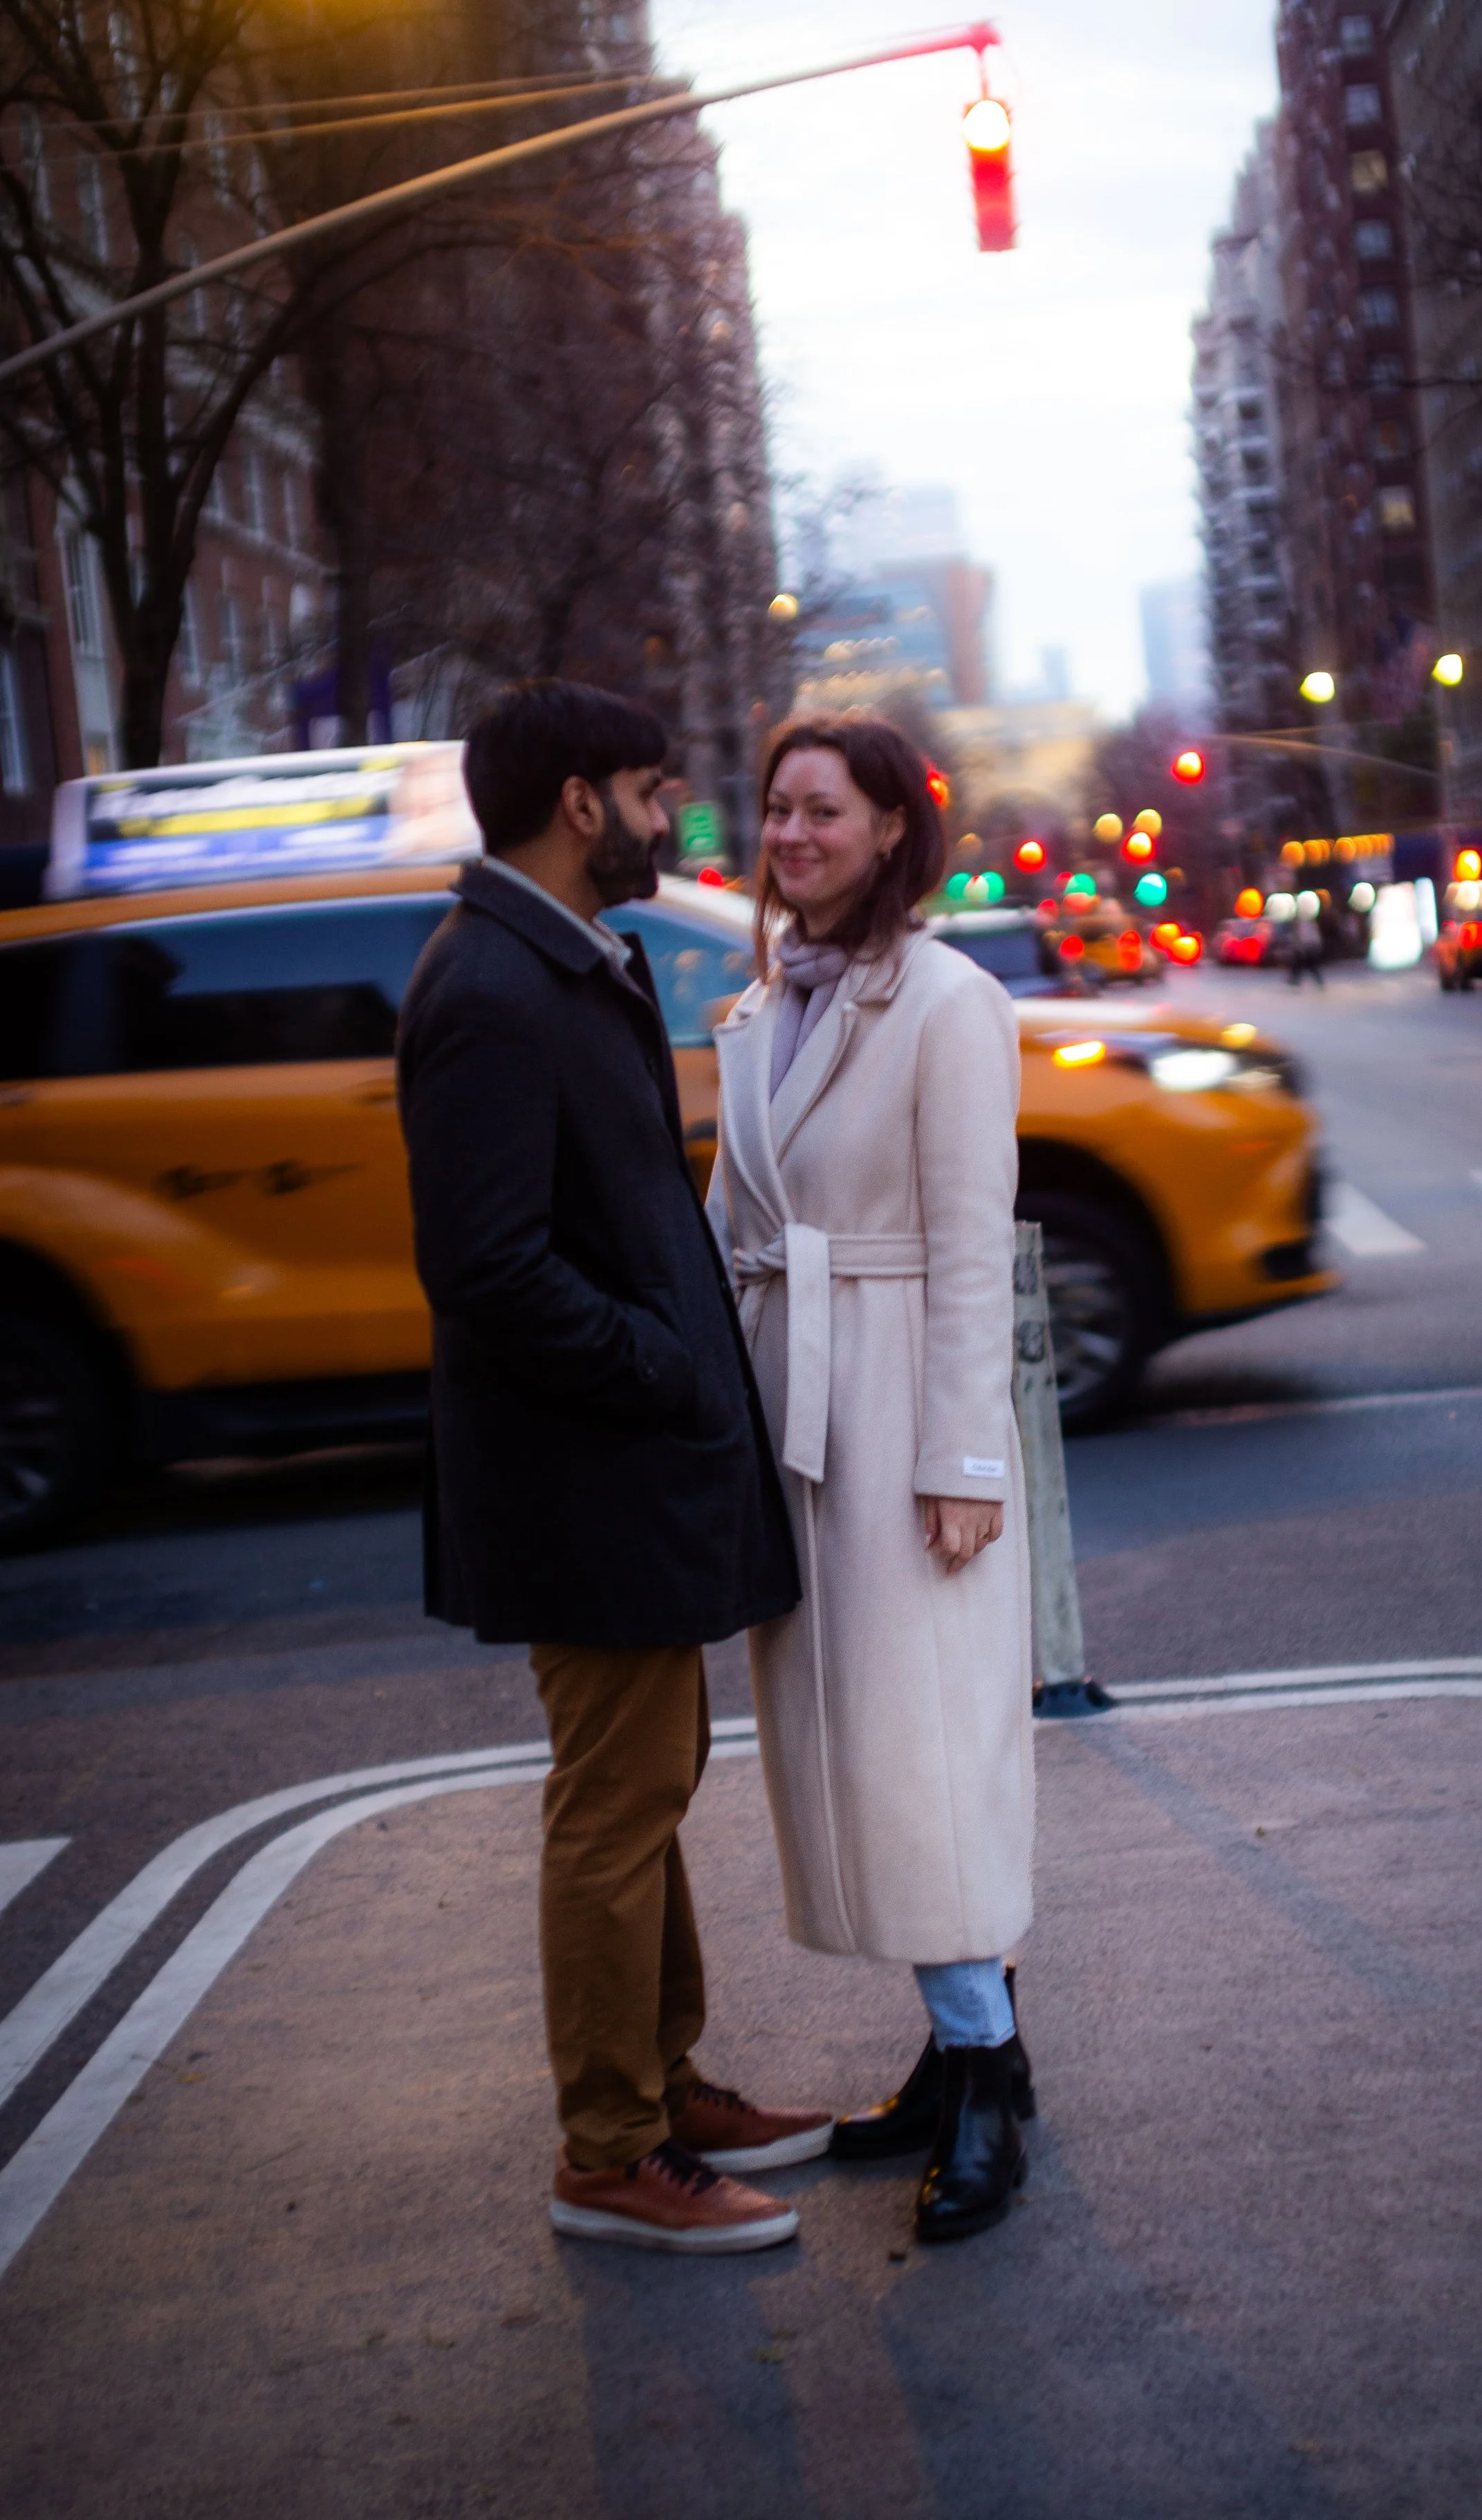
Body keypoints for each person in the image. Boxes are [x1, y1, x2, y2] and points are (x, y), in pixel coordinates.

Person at [397, 679, 826, 2257]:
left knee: (643, 1784)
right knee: (614, 1798)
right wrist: (661, 1360)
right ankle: (611, 2150)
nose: (673, 821)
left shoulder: (553, 964)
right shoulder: (496, 988)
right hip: (581, 1474)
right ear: (580, 803)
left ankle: (663, 2087)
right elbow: (490, 1269)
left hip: (607, 1467)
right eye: (653, 792)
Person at [706, 713, 1037, 2246]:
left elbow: (974, 1242)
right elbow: (736, 1224)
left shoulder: (951, 1003)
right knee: (856, 1752)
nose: (791, 836)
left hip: (905, 1407)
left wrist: (961, 1458)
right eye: (776, 809)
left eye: (823, 811)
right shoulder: (767, 998)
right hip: (798, 1412)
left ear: (894, 825)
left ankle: (984, 2082)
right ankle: (961, 2049)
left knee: (923, 1757)